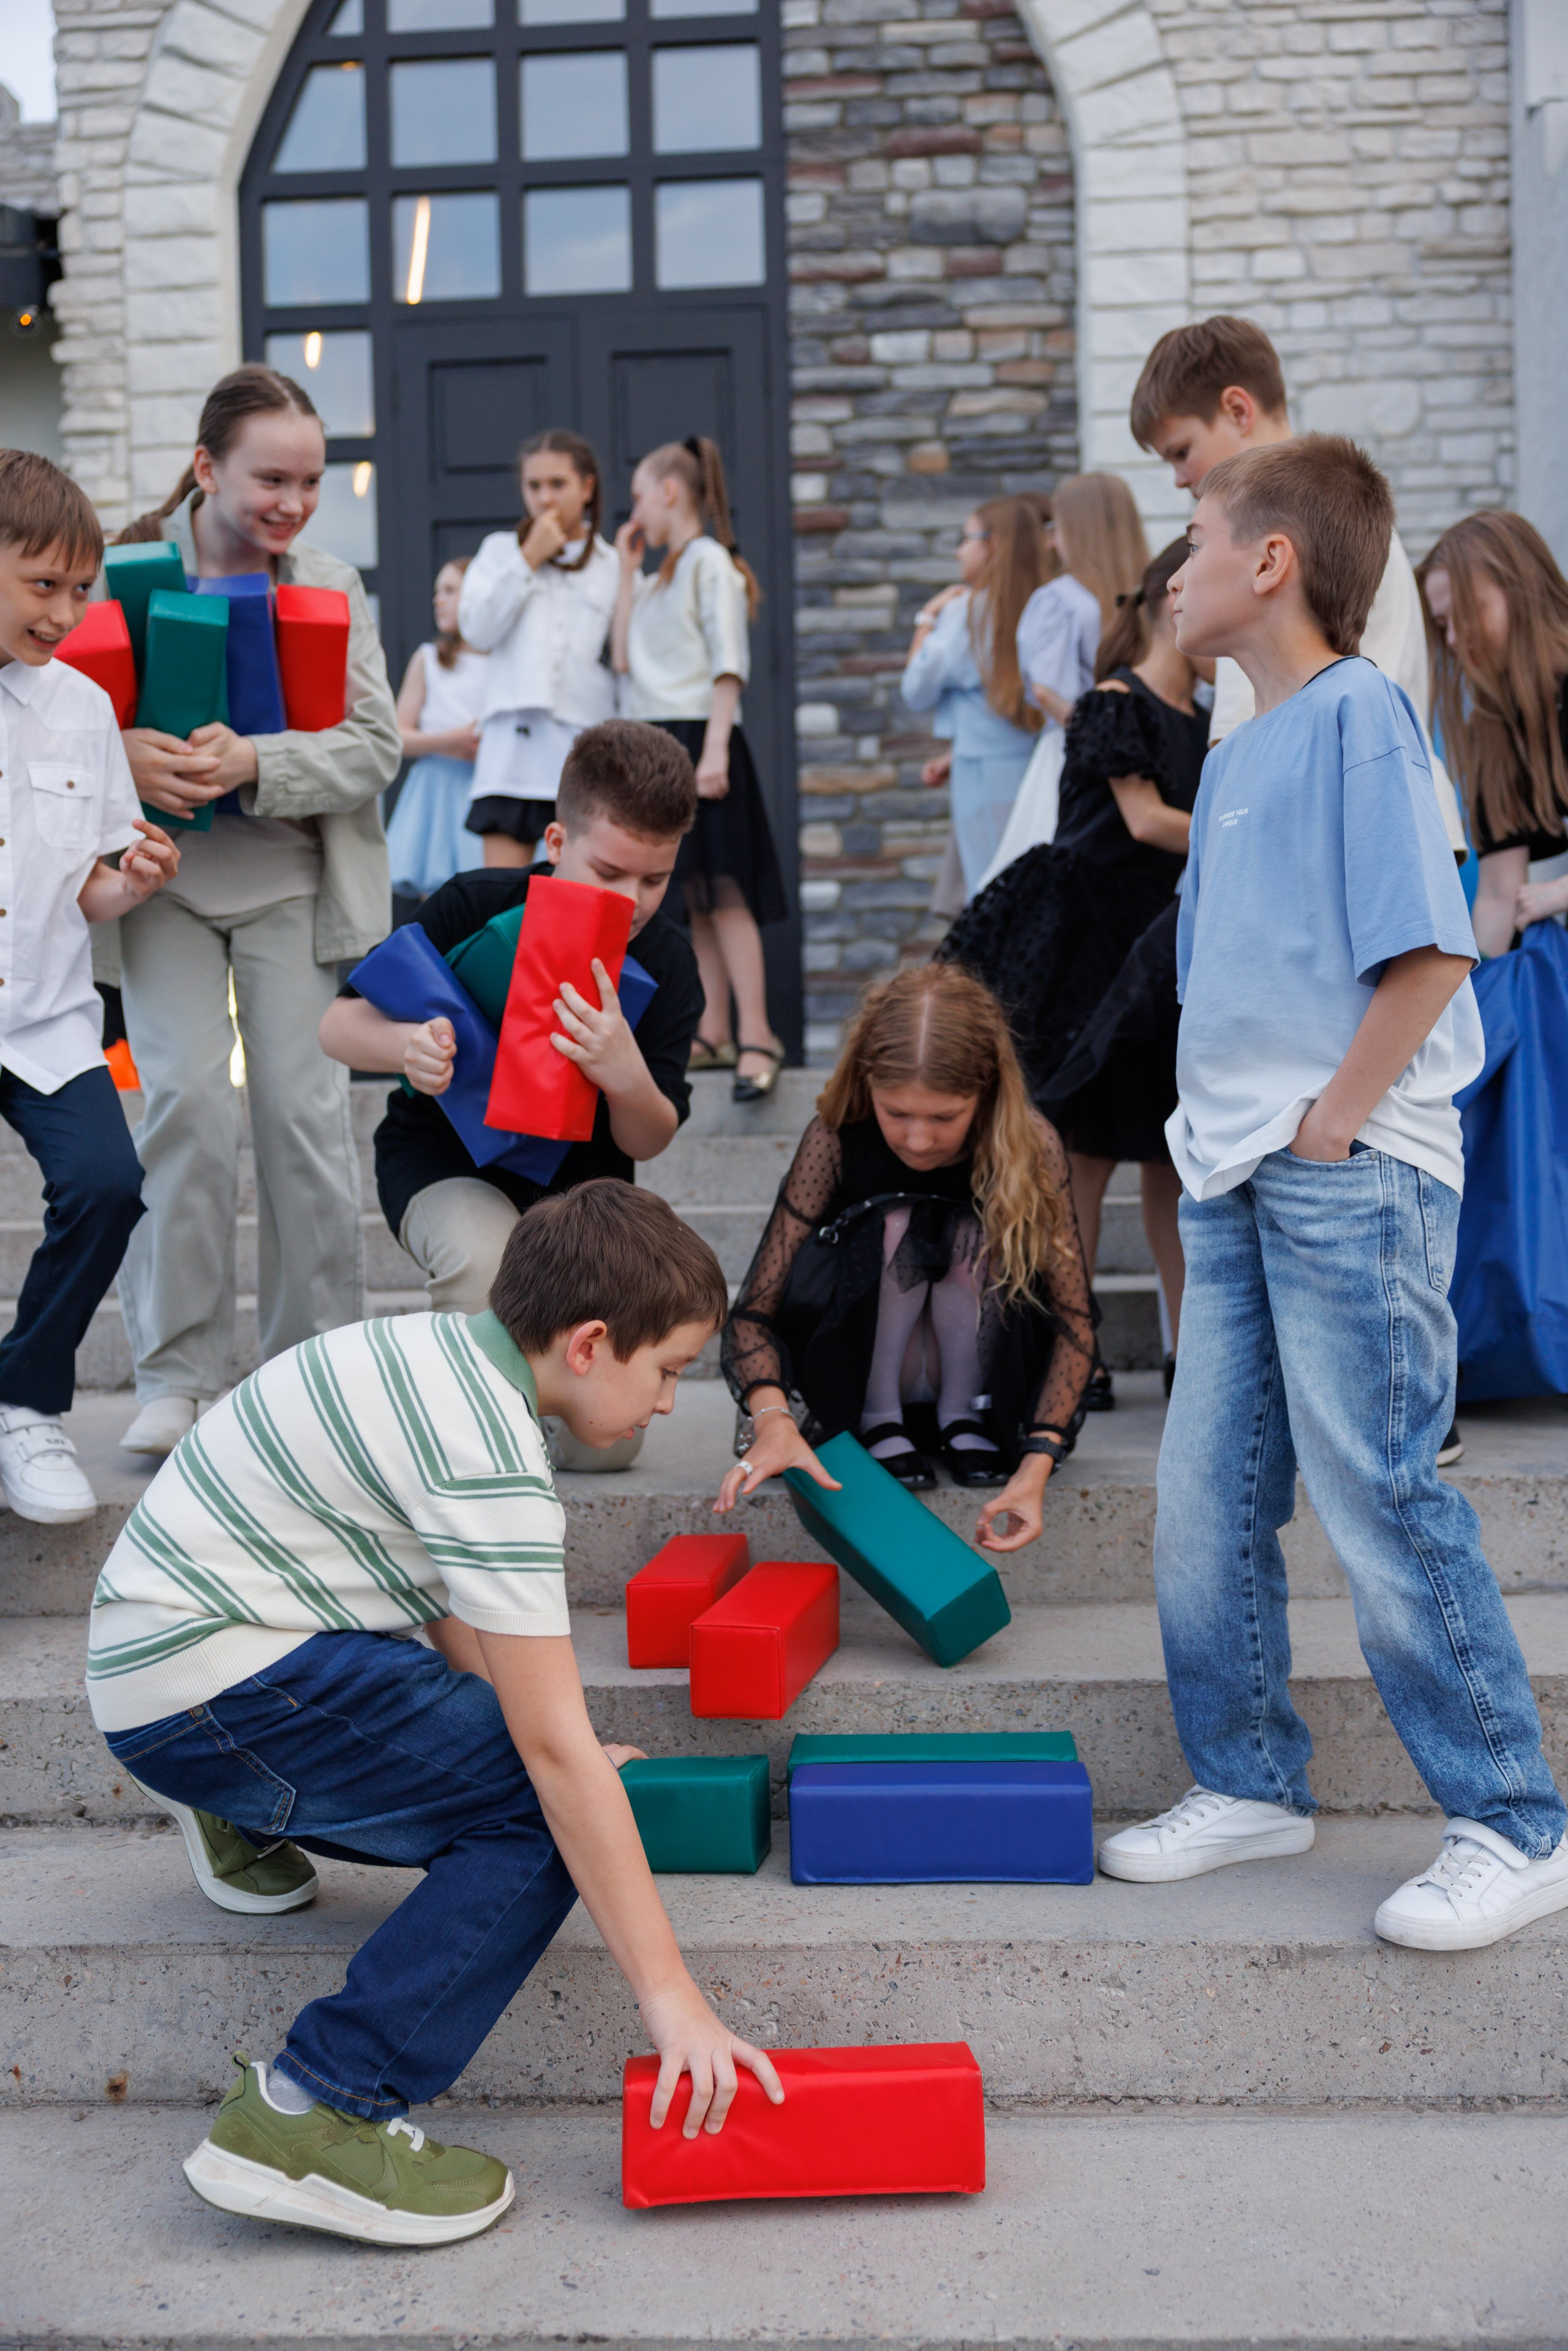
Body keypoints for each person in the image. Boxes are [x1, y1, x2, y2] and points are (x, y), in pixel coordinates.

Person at [86, 1180, 784, 2246]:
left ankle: (240, 1803)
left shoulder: (441, 1357)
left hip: (169, 1657)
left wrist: (562, 1742)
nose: (665, 1405)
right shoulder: (491, 1455)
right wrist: (672, 1996)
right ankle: (321, 2106)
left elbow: (465, 1613)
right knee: (535, 1813)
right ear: (592, 1342)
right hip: (208, 1689)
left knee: (532, 1760)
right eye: (670, 1371)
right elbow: (549, 1762)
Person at [1096, 434, 1568, 1953]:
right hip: (1234, 1163)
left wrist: (1331, 1124)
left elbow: (1432, 948)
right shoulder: (1236, 744)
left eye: (1195, 531)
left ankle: (1510, 1817)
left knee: (1376, 1495)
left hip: (1340, 1169)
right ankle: (1246, 1782)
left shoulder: (1362, 715)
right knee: (1199, 1502)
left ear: (1271, 562)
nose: (1173, 563)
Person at [111, 363, 401, 1460]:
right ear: (206, 467)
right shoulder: (125, 569)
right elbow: (52, 716)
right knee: (183, 1105)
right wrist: (123, 750)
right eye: (270, 478)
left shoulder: (330, 578)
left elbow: (376, 745)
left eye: (311, 481)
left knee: (302, 1121)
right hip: (162, 887)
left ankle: (307, 1374)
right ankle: (174, 1372)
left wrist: (259, 758)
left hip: (292, 888)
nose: (292, 502)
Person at [320, 720, 705, 1472]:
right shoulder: (477, 900)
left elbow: (648, 1136)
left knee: (604, 1453)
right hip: (443, 1165)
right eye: (610, 871)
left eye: (653, 880)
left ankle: (520, 1416)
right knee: (482, 1260)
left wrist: (622, 1071)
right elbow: (338, 1024)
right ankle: (470, 1457)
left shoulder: (669, 961)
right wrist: (406, 1047)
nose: (630, 902)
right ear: (556, 843)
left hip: (579, 1202)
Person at [938, 540, 1208, 1391]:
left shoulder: (1208, 717)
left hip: (1163, 945)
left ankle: (1185, 1349)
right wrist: (1253, 834)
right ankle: (1073, 1345)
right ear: (1175, 601)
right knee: (1083, 1158)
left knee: (1169, 1159)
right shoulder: (1111, 703)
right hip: (1095, 943)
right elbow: (1140, 820)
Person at [716, 962, 1094, 1545]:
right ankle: (880, 1415)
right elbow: (754, 1312)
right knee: (896, 1221)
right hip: (859, 1361)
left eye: (944, 1117)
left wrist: (1036, 1462)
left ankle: (964, 1413)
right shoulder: (837, 1136)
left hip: (980, 1362)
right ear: (867, 1083)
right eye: (898, 1113)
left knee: (970, 1226)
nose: (919, 1140)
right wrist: (772, 1417)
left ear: (987, 1090)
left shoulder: (1027, 1142)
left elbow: (1074, 1320)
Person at [0, 450, 180, 1524]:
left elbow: (89, 884)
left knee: (109, 1185)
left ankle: (23, 1398)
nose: (66, 611)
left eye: (81, 588)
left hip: (46, 1015)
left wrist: (135, 876)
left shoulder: (83, 706)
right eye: (41, 585)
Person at [1129, 312, 1467, 855]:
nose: (1179, 478)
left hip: (1336, 833)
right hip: (1397, 817)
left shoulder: (1273, 539)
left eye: (1181, 450)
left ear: (1238, 409)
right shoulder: (1347, 519)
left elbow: (1244, 741)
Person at [612, 436, 787, 1101]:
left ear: (669, 490)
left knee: (729, 895)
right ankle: (712, 1031)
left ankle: (757, 1035)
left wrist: (714, 751)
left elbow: (727, 660)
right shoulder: (660, 573)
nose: (633, 514)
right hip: (660, 740)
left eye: (637, 497)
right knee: (694, 897)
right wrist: (627, 573)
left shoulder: (711, 561)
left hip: (703, 737)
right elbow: (624, 660)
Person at [459, 429, 618, 872]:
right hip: (512, 749)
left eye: (558, 484)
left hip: (582, 749)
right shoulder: (499, 552)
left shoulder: (613, 563)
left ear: (587, 487)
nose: (545, 498)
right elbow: (477, 630)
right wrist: (527, 559)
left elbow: (624, 657)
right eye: (534, 486)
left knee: (578, 896)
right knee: (500, 898)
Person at [1419, 511, 1568, 954]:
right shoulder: (1494, 729)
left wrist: (1561, 892)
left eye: (1466, 613)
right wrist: (1482, 992)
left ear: (1520, 588)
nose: (1452, 641)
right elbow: (1500, 893)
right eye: (1443, 624)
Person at [899, 497, 1051, 900]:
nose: (958, 551)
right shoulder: (1042, 603)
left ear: (994, 545)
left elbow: (916, 689)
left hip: (982, 771)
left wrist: (926, 619)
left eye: (965, 539)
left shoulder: (965, 611)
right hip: (1032, 761)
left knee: (990, 890)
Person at [1015, 472, 1150, 730]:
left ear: (1075, 531)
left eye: (1056, 528)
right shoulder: (1154, 591)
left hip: (1081, 745)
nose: (1051, 542)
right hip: (1151, 740)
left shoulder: (1058, 600)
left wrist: (1096, 739)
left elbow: (1045, 690)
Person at [384, 558, 485, 905]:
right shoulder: (429, 659)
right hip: (438, 794)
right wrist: (449, 741)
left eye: (451, 590)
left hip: (485, 790)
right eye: (437, 592)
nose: (438, 600)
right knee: (442, 906)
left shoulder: (505, 661)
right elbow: (396, 736)